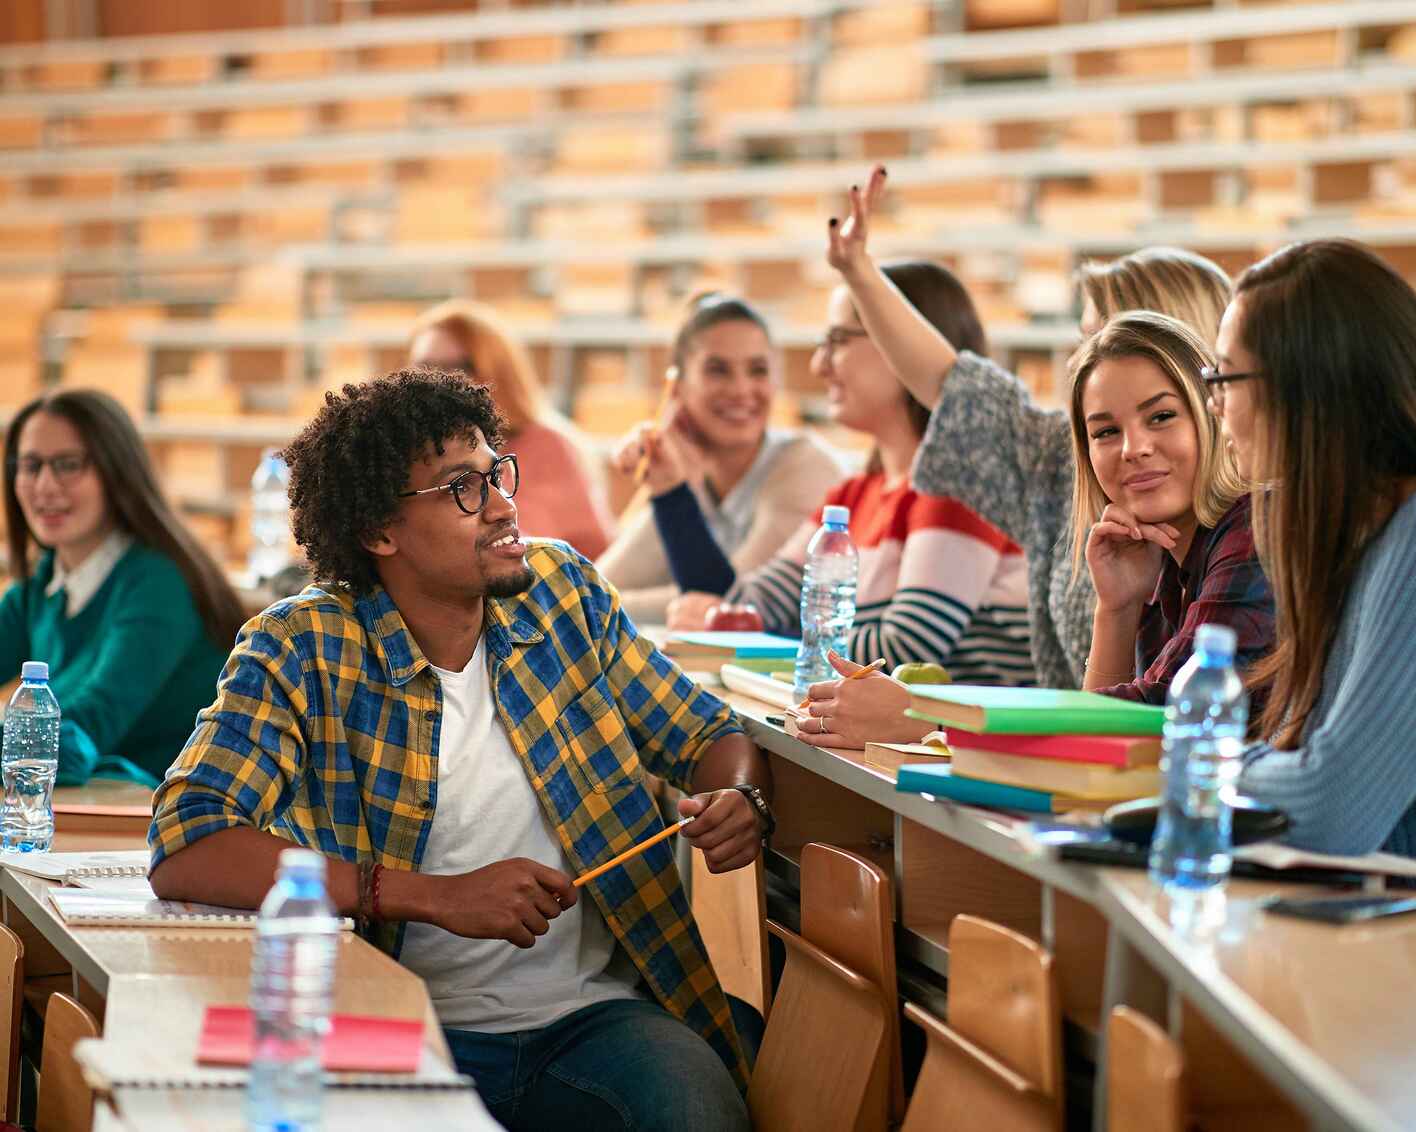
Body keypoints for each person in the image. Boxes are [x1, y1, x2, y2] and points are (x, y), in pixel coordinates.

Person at [148, 369, 773, 1130]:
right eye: (461, 489)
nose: (505, 506)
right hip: (392, 1021)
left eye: (496, 475)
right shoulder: (303, 645)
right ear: (380, 531)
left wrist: (739, 795)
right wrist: (435, 895)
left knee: (696, 1108)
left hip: (594, 1022)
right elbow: (189, 840)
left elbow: (708, 734)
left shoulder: (563, 594)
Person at [830, 165, 1233, 689]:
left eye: (1101, 340)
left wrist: (921, 719)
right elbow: (954, 388)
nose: (1083, 365)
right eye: (1084, 343)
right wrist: (858, 270)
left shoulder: (1246, 528)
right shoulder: (1065, 460)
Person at [658, 262, 1035, 752]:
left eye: (838, 340)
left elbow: (904, 654)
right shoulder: (852, 496)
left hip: (978, 764)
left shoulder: (963, 488)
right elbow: (747, 605)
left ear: (900, 338)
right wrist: (671, 489)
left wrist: (780, 634)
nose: (819, 364)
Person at [1220, 241, 1416, 857]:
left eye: (1224, 376)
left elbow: (1329, 808)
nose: (1215, 402)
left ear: (1303, 391)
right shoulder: (1357, 535)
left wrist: (1195, 759)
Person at [1, 390, 245, 786]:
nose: (44, 485)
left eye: (68, 465)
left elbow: (75, 741)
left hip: (162, 828)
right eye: (30, 466)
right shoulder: (42, 583)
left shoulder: (160, 584)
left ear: (116, 473)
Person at [597, 292, 847, 625]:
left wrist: (673, 494)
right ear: (677, 388)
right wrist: (676, 483)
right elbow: (595, 588)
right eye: (718, 370)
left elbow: (731, 605)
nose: (742, 389)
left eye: (758, 370)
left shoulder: (804, 465)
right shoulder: (690, 475)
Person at [1068, 311, 1273, 704]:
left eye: (1161, 417)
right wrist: (1117, 608)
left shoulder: (1254, 529)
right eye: (1106, 432)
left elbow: (1170, 709)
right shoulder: (1166, 560)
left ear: (1210, 416)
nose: (1133, 448)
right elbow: (1095, 742)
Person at [410, 298, 616, 559]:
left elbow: (596, 554)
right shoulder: (412, 455)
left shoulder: (547, 445)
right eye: (424, 369)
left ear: (498, 371)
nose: (439, 383)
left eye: (459, 368)